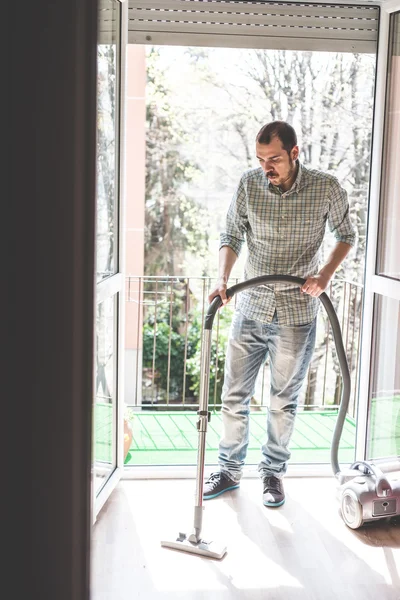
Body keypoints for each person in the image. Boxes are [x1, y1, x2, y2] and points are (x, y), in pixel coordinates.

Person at [203, 121, 355, 507]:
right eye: (260, 159)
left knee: (282, 402)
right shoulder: (249, 185)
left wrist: (324, 275)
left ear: (294, 152)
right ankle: (229, 470)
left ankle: (272, 473)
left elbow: (346, 234)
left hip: (296, 312)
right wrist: (224, 278)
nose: (266, 166)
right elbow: (231, 235)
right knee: (234, 396)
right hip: (251, 307)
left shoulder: (326, 188)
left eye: (273, 159)